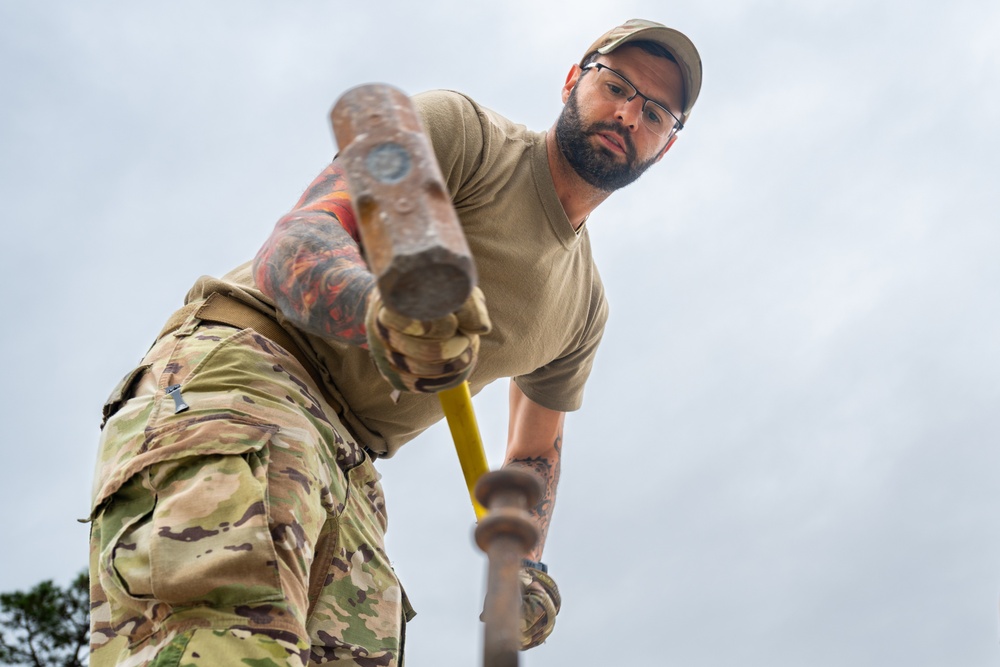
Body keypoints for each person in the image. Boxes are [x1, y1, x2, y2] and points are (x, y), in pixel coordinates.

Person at [88, 18, 702, 667]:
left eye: (657, 111)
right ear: (574, 80)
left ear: (665, 145)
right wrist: (379, 313)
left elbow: (535, 449)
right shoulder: (464, 135)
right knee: (223, 650)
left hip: (353, 461)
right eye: (617, 84)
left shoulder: (583, 306)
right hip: (249, 374)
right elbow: (296, 243)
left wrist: (518, 565)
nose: (630, 113)